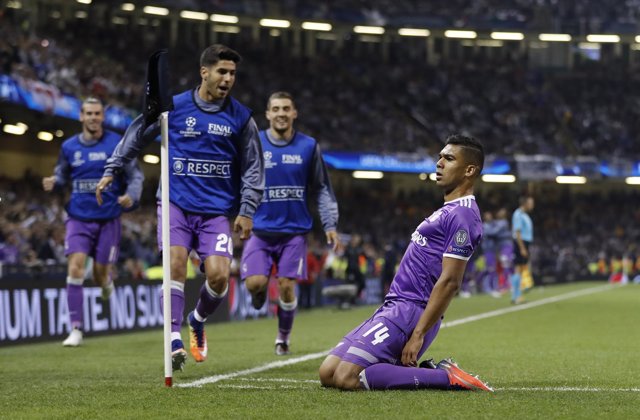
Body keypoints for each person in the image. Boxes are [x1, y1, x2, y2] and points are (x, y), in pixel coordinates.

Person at [96, 45, 264, 371]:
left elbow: (254, 167)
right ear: (205, 72)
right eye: (222, 72)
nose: (228, 79)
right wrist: (112, 168)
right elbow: (136, 133)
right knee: (175, 263)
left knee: (218, 278)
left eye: (232, 74)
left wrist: (247, 209)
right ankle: (173, 339)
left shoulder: (242, 118)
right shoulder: (173, 108)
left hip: (216, 211)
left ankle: (197, 319)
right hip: (175, 201)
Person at [318, 134, 493, 392]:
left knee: (346, 378)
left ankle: (448, 377)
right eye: (440, 156)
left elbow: (450, 282)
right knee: (328, 372)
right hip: (394, 306)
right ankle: (416, 371)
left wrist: (419, 333)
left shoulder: (463, 216)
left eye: (449, 158)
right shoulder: (447, 210)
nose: (439, 163)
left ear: (469, 170)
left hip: (412, 311)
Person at [240, 91, 339, 356]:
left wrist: (329, 224)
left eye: (286, 108)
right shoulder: (254, 143)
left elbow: (321, 188)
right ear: (268, 114)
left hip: (294, 233)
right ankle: (258, 293)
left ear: (294, 113)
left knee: (286, 285)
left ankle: (283, 337)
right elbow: (241, 181)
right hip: (260, 231)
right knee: (254, 283)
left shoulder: (308, 146)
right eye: (276, 109)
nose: (281, 113)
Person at [42, 97, 144, 347]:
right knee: (75, 266)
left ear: (103, 116)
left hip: (108, 219)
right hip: (78, 217)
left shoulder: (117, 144)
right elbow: (62, 173)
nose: (93, 117)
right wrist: (55, 180)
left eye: (97, 113)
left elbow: (135, 175)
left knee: (99, 273)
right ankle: (75, 329)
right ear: (81, 116)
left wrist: (132, 195)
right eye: (88, 113)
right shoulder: (68, 147)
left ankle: (106, 282)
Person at [510, 195, 534, 304]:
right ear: (525, 203)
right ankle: (516, 296)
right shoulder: (518, 214)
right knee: (518, 269)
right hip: (521, 243)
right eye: (530, 203)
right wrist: (522, 248)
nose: (532, 205)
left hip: (525, 243)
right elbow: (517, 232)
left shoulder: (524, 215)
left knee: (521, 268)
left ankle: (518, 294)